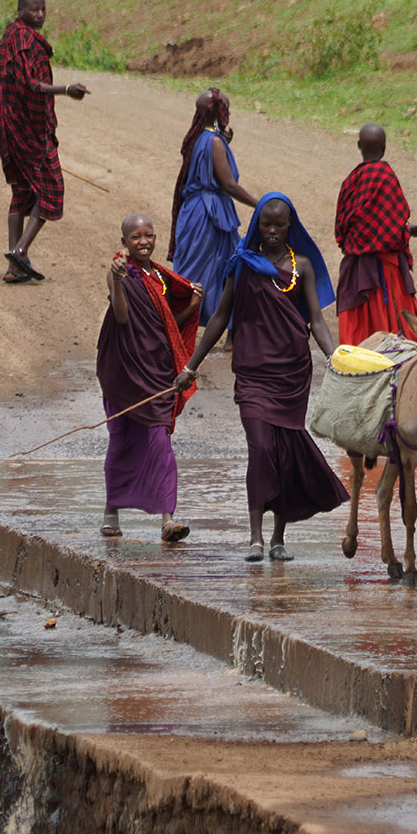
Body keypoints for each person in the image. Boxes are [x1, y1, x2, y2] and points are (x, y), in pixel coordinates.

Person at [174, 194, 347, 562]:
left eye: (279, 225)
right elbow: (221, 317)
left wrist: (335, 356)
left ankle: (278, 539)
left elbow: (316, 320)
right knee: (261, 449)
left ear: (290, 226)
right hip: (253, 373)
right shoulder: (242, 265)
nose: (271, 231)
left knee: (284, 454)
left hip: (293, 374)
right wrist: (191, 365)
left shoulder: (301, 267)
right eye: (265, 224)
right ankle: (255, 537)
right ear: (256, 225)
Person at [97, 214, 202, 543]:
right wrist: (115, 282)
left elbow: (165, 324)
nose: (143, 241)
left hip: (156, 373)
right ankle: (111, 510)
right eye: (135, 237)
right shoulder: (122, 274)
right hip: (125, 373)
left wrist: (193, 304)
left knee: (160, 442)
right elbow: (123, 316)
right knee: (123, 441)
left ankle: (167, 519)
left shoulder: (158, 276)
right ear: (124, 242)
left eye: (149, 235)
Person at [0, 0, 89, 284]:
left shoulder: (12, 36)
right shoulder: (23, 40)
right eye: (34, 10)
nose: (40, 15)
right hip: (22, 125)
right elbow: (30, 86)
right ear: (19, 10)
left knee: (21, 190)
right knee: (51, 189)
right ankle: (20, 251)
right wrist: (66, 90)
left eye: (43, 9)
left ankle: (14, 266)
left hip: (6, 121)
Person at [333, 123, 417, 346]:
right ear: (384, 148)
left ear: (358, 146)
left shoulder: (351, 181)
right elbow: (392, 227)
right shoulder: (386, 176)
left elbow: (342, 228)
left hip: (359, 270)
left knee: (363, 334)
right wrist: (407, 231)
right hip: (388, 271)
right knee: (396, 326)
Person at [169, 89, 255, 323]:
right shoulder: (214, 142)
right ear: (220, 114)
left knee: (203, 268)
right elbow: (229, 185)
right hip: (210, 214)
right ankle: (178, 326)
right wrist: (260, 204)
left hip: (195, 211)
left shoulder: (198, 138)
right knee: (220, 271)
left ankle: (222, 327)